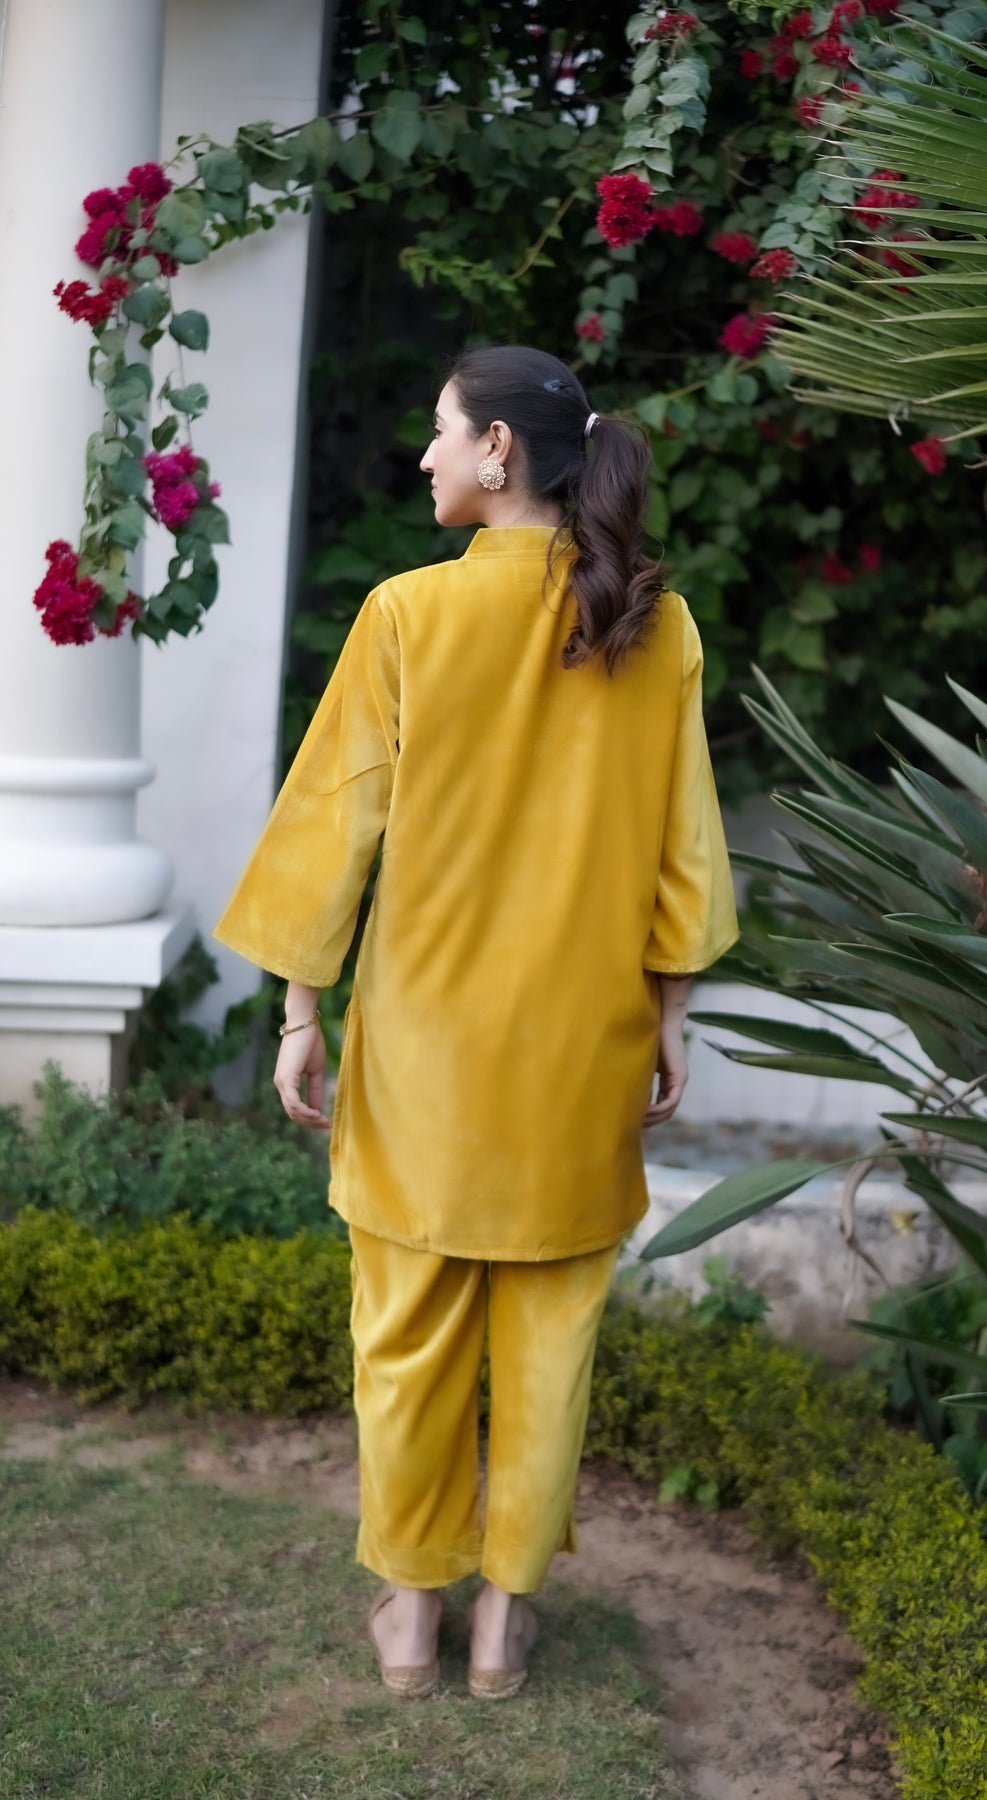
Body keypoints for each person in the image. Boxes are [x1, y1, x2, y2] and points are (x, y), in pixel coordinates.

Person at [213, 343, 738, 1701]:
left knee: (405, 1338)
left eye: (443, 432)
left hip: (426, 1053)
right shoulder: (658, 625)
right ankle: (504, 1623)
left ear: (499, 450)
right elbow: (685, 843)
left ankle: (410, 1615)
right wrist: (672, 1015)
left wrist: (300, 1011)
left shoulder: (407, 613)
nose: (427, 455)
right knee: (554, 1346)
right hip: (582, 1045)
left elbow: (333, 824)